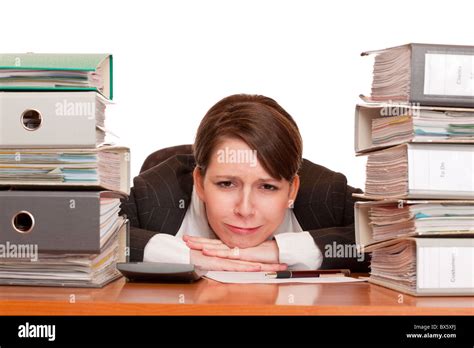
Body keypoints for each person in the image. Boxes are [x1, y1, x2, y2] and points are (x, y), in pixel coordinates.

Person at [120, 94, 369, 272]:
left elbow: (397, 234)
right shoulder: (154, 195)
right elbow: (88, 235)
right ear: (198, 181)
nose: (245, 210)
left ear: (292, 189)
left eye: (268, 187)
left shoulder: (326, 194)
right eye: (227, 184)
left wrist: (279, 251)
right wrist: (188, 257)